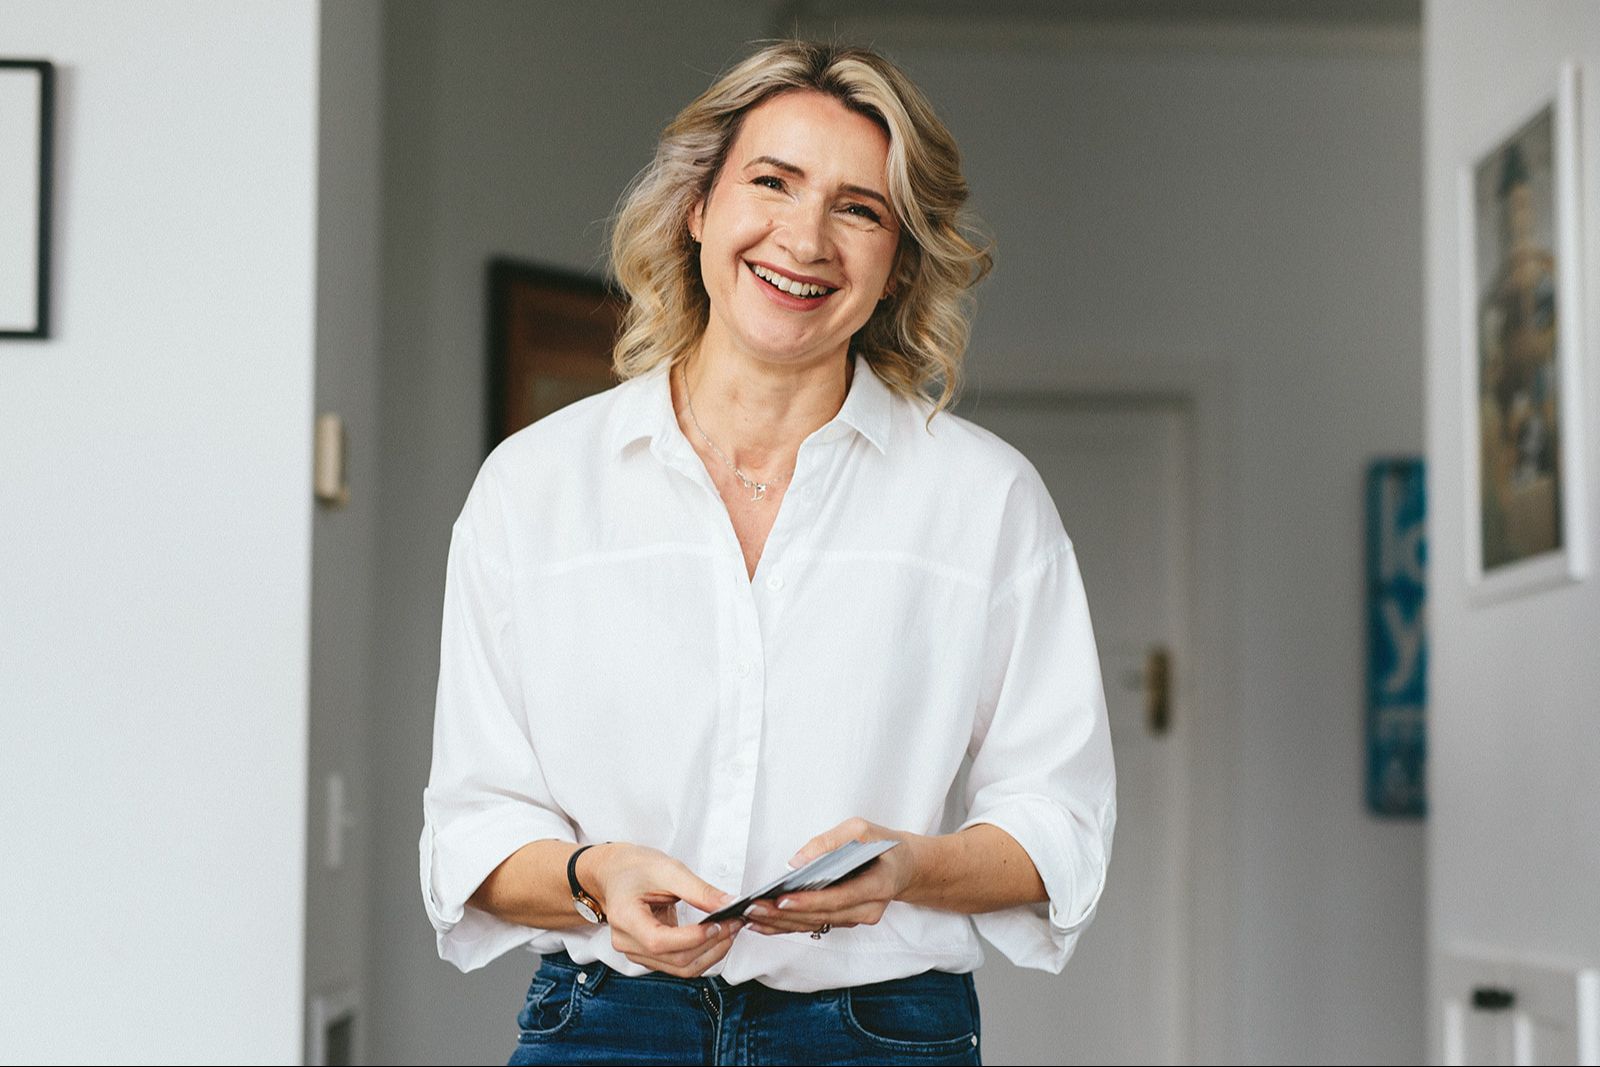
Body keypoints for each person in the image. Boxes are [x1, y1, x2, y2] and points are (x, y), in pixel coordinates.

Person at [418, 37, 1117, 1067]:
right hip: (607, 1024)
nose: (805, 237)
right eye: (773, 182)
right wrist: (592, 875)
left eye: (859, 208)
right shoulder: (533, 488)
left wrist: (909, 866)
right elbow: (470, 830)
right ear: (698, 206)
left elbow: (1060, 824)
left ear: (898, 262)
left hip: (880, 1031)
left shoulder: (985, 499)